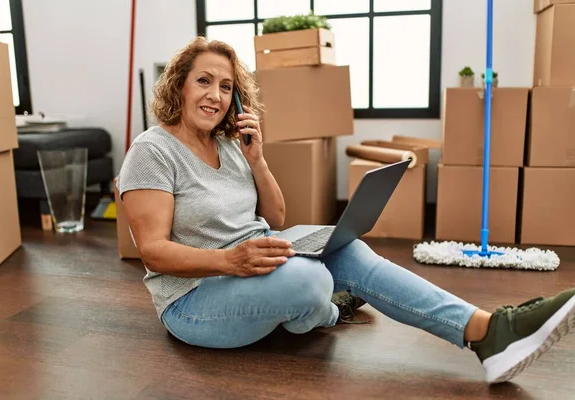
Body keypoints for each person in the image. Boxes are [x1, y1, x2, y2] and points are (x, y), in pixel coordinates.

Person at [117, 36, 575, 385]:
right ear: (178, 84)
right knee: (311, 280)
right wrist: (228, 261)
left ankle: (489, 331)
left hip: (254, 262)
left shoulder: (231, 144)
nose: (215, 96)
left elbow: (275, 218)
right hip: (195, 299)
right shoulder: (152, 151)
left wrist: (257, 158)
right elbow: (153, 252)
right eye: (204, 81)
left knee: (346, 248)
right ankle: (323, 309)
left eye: (226, 87)